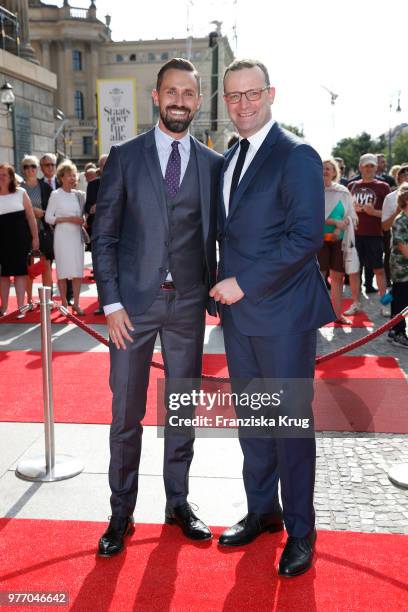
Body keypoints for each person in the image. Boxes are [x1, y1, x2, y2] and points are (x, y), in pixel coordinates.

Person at [92, 58, 223, 557]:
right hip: (132, 309)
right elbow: (103, 236)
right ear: (156, 96)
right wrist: (112, 303)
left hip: (188, 304)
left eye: (189, 93)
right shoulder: (125, 156)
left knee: (181, 410)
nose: (180, 101)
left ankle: (178, 503)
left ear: (198, 100)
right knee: (125, 414)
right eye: (172, 92)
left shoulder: (214, 166)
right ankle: (120, 513)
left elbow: (221, 235)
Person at [210, 59, 334, 578]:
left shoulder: (296, 154)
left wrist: (244, 283)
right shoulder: (227, 159)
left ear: (271, 94)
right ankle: (264, 512)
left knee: (288, 427)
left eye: (251, 94)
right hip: (237, 320)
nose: (242, 104)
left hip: (282, 315)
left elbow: (305, 238)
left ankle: (302, 533)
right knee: (255, 425)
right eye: (233, 96)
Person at [346, 153, 391, 316]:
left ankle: (384, 305)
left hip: (374, 234)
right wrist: (353, 210)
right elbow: (344, 211)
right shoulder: (351, 186)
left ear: (376, 167)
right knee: (354, 270)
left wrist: (374, 212)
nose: (369, 168)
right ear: (360, 167)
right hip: (354, 235)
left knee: (379, 270)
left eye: (372, 165)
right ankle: (356, 303)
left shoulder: (383, 186)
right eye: (366, 165)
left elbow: (389, 213)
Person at [318, 159, 359, 323]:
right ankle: (316, 314)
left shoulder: (343, 191)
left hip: (339, 240)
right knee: (318, 278)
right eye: (322, 168)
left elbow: (352, 216)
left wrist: (340, 227)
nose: (325, 171)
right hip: (317, 240)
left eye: (328, 169)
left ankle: (337, 314)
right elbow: (310, 216)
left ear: (335, 172)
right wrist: (334, 222)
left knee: (337, 277)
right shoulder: (313, 190)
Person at [45, 161, 85, 314]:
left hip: (76, 236)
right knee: (62, 271)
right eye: (69, 175)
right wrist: (68, 219)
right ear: (61, 177)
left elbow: (83, 217)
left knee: (77, 271)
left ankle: (76, 303)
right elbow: (48, 217)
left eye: (74, 175)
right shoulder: (56, 195)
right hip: (62, 236)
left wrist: (82, 220)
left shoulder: (79, 195)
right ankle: (63, 303)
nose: (73, 178)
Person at [0, 164, 39, 318]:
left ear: (11, 177)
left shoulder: (21, 193)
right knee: (3, 275)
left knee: (20, 273)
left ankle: (21, 306)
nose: (1, 177)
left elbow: (31, 217)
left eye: (4, 174)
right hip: (1, 241)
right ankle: (3, 307)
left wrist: (35, 238)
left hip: (20, 240)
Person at [21, 155, 53, 307]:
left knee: (46, 265)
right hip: (25, 232)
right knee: (28, 267)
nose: (30, 170)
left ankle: (47, 298)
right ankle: (29, 299)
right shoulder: (18, 188)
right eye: (26, 167)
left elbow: (53, 209)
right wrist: (31, 211)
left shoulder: (45, 187)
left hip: (44, 231)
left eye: (33, 166)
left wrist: (43, 212)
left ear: (37, 168)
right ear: (23, 170)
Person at [84, 154, 108, 314]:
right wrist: (91, 209)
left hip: (121, 235)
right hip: (98, 233)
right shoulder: (93, 185)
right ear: (100, 168)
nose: (106, 167)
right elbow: (86, 207)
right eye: (103, 165)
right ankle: (102, 303)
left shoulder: (125, 180)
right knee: (100, 270)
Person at [388, 183, 408, 348]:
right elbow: (403, 248)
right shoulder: (401, 221)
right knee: (401, 300)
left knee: (399, 298)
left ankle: (393, 329)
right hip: (402, 268)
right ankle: (398, 332)